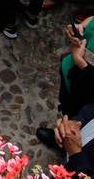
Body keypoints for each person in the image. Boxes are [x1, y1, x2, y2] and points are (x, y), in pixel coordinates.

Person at [37, 19, 94, 150]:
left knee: (80, 123)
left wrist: (81, 63)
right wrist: (81, 27)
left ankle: (67, 146)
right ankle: (62, 137)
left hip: (89, 91)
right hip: (73, 73)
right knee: (68, 107)